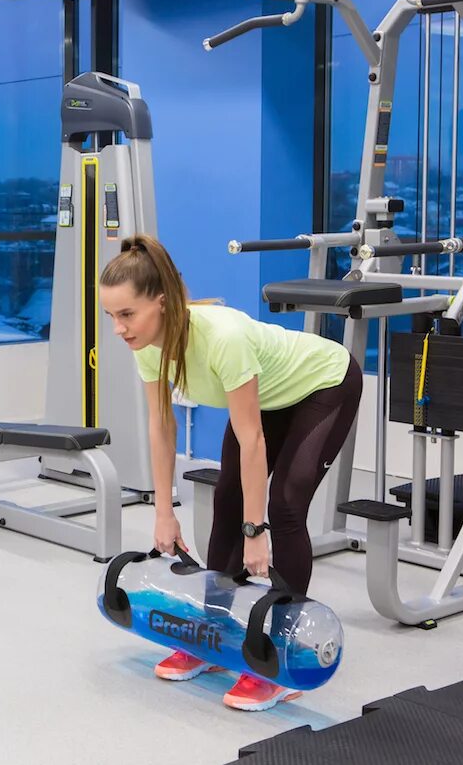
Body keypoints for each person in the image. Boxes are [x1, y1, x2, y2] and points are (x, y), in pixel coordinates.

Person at [99, 234, 362, 711]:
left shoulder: (223, 338)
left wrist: (255, 531)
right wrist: (164, 512)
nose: (119, 328)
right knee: (226, 498)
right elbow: (161, 426)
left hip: (323, 384)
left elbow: (252, 439)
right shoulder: (148, 345)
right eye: (112, 316)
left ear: (161, 303)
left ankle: (277, 655)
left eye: (127, 314)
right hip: (271, 399)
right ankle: (213, 634)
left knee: (284, 505)